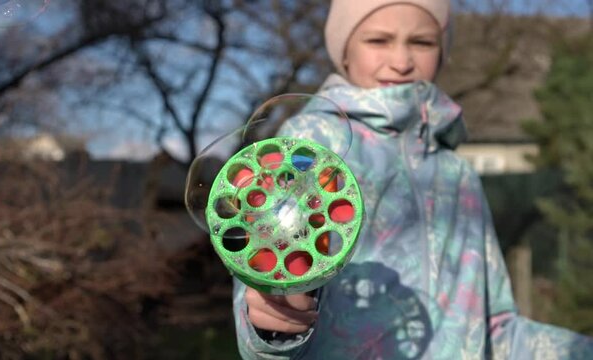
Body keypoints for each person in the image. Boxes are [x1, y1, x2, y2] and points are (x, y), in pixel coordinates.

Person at [231, 0, 593, 358]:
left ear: (443, 51)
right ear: (343, 51)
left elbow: (494, 328)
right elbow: (269, 287)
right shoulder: (306, 148)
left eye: (422, 42)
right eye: (378, 40)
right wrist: (271, 325)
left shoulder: (458, 173)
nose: (401, 61)